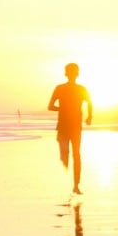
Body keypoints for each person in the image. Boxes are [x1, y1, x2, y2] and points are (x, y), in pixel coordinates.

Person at [48, 62, 93, 194]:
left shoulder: (75, 89)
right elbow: (50, 106)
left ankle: (76, 186)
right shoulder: (62, 88)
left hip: (71, 126)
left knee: (75, 155)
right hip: (69, 126)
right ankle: (75, 184)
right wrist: (89, 116)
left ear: (67, 73)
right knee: (72, 155)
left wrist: (90, 116)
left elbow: (89, 102)